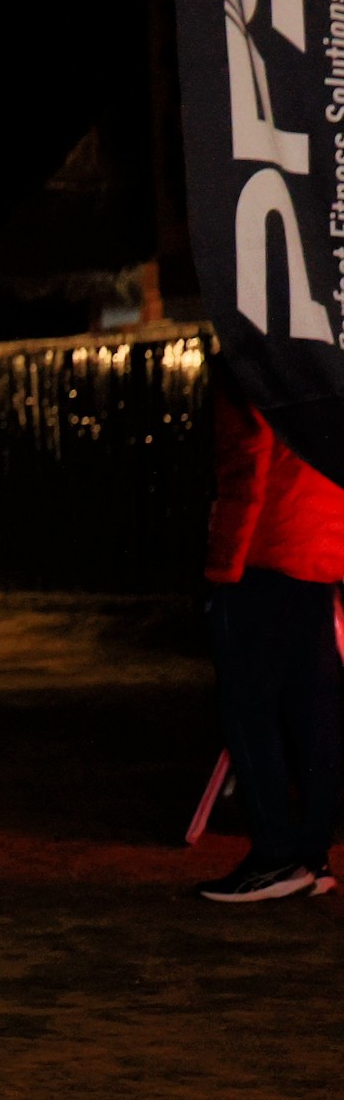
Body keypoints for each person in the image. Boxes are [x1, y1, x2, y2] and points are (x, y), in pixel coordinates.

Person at [197, 370, 343, 901]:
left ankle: (275, 856)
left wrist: (224, 562)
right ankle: (311, 855)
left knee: (249, 709)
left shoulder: (251, 360)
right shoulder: (326, 354)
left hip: (263, 549)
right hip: (322, 548)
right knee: (314, 711)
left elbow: (248, 458)